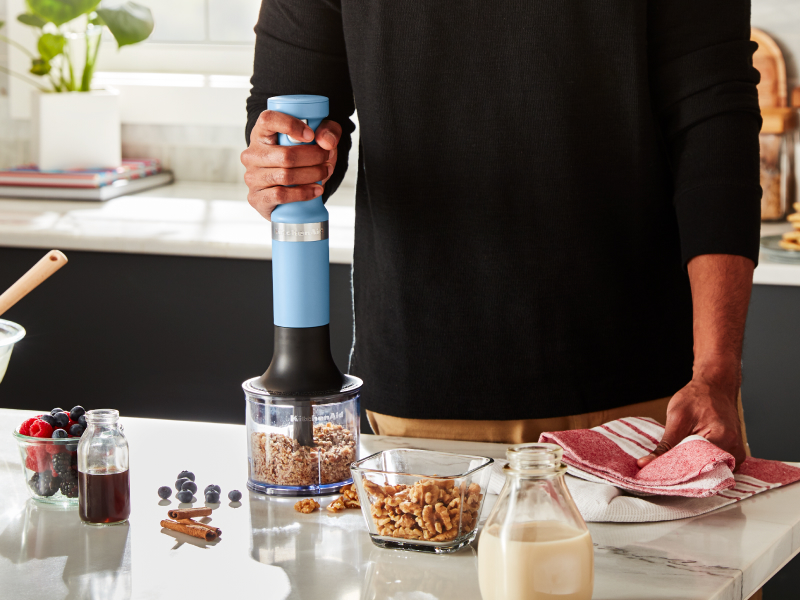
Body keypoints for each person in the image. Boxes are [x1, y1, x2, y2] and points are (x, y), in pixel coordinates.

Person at [241, 0, 761, 469]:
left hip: (649, 403)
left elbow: (714, 121)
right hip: (425, 401)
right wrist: (280, 168)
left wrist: (715, 373)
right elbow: (286, 116)